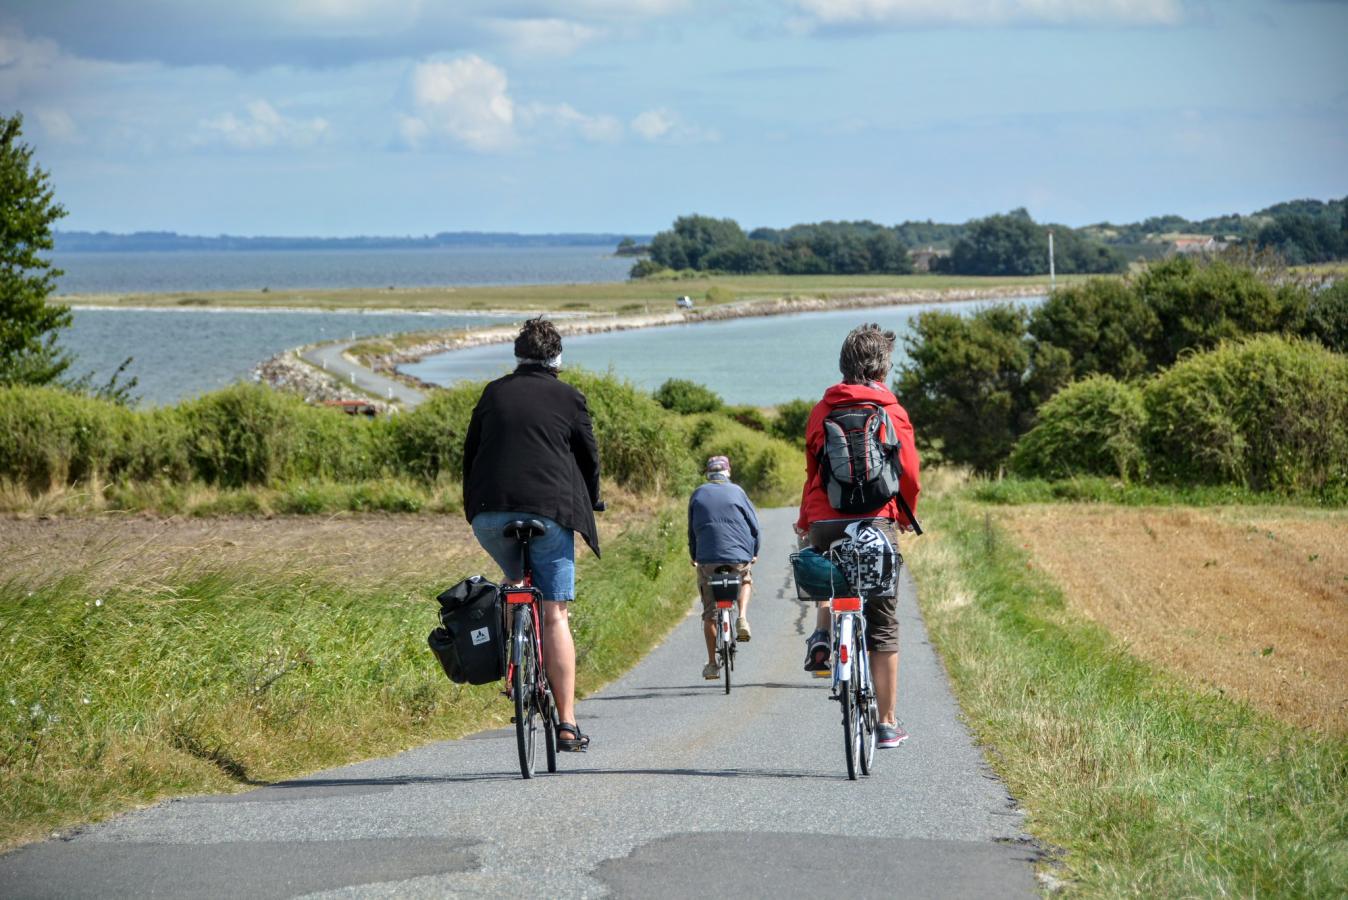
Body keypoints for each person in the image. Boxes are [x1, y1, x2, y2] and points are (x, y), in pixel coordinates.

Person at [462, 317, 601, 752]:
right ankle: (567, 723)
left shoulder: (492, 392)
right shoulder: (570, 396)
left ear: (517, 356)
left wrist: (479, 504)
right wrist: (593, 499)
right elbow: (589, 458)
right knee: (555, 612)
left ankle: (513, 657)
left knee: (514, 578)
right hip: (550, 512)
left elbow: (471, 455)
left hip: (490, 514)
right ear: (557, 358)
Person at [795, 323, 920, 749]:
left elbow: (814, 473)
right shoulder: (893, 411)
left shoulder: (821, 410)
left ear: (843, 364)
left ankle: (825, 635)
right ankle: (886, 723)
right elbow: (910, 475)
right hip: (877, 523)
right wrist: (905, 517)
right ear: (883, 367)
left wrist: (806, 521)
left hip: (826, 522)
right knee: (882, 622)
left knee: (831, 578)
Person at [687, 455, 760, 680]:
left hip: (707, 559)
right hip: (738, 556)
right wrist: (753, 553)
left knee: (710, 614)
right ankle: (742, 617)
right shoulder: (738, 492)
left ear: (708, 474)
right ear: (728, 472)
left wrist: (695, 556)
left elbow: (692, 531)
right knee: (745, 579)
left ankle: (711, 664)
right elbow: (754, 527)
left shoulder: (698, 493)